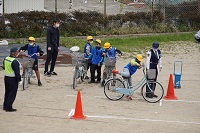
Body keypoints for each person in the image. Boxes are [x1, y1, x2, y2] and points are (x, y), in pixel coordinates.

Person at [2, 47, 21, 112]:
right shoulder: (15, 61)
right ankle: (9, 107)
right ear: (14, 53)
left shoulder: (6, 58)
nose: (18, 53)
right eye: (17, 52)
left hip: (6, 78)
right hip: (13, 79)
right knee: (12, 93)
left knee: (7, 92)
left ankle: (5, 105)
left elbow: (4, 67)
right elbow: (17, 73)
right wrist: (19, 80)